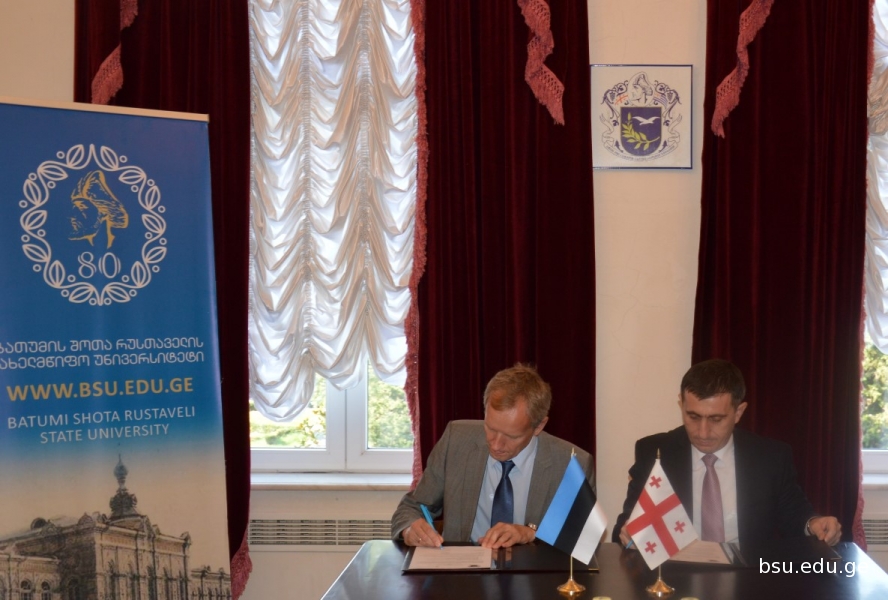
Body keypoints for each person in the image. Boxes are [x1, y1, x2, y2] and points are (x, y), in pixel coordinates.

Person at [613, 358, 842, 550]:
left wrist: (814, 523)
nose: (703, 432)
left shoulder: (770, 457)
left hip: (749, 575)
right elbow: (626, 524)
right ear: (681, 404)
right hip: (676, 575)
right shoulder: (655, 453)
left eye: (716, 419)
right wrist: (627, 532)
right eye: (693, 416)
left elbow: (794, 513)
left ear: (738, 412)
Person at [391, 363, 595, 549]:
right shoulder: (456, 441)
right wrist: (410, 529)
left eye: (511, 436)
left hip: (533, 573)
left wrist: (532, 533)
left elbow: (584, 541)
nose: (496, 445)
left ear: (539, 426)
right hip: (463, 571)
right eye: (490, 428)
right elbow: (411, 508)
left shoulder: (570, 463)